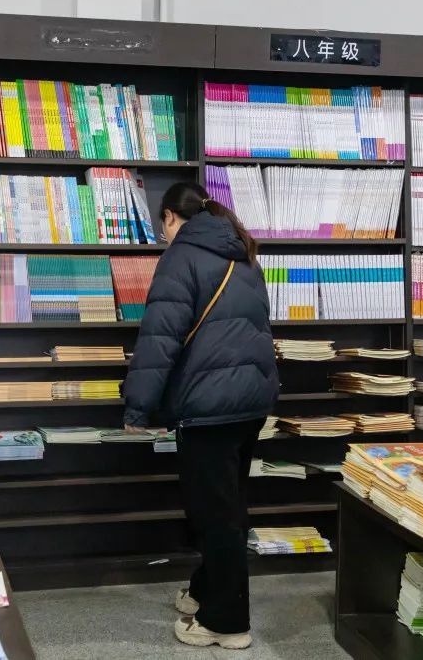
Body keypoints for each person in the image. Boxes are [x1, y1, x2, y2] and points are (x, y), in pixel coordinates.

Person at [122, 181, 279, 650]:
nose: (163, 235)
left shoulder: (180, 258)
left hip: (208, 407)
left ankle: (226, 623)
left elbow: (160, 338)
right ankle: (205, 590)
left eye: (162, 226)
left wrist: (138, 405)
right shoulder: (243, 254)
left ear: (171, 217)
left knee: (214, 515)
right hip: (250, 402)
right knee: (227, 506)